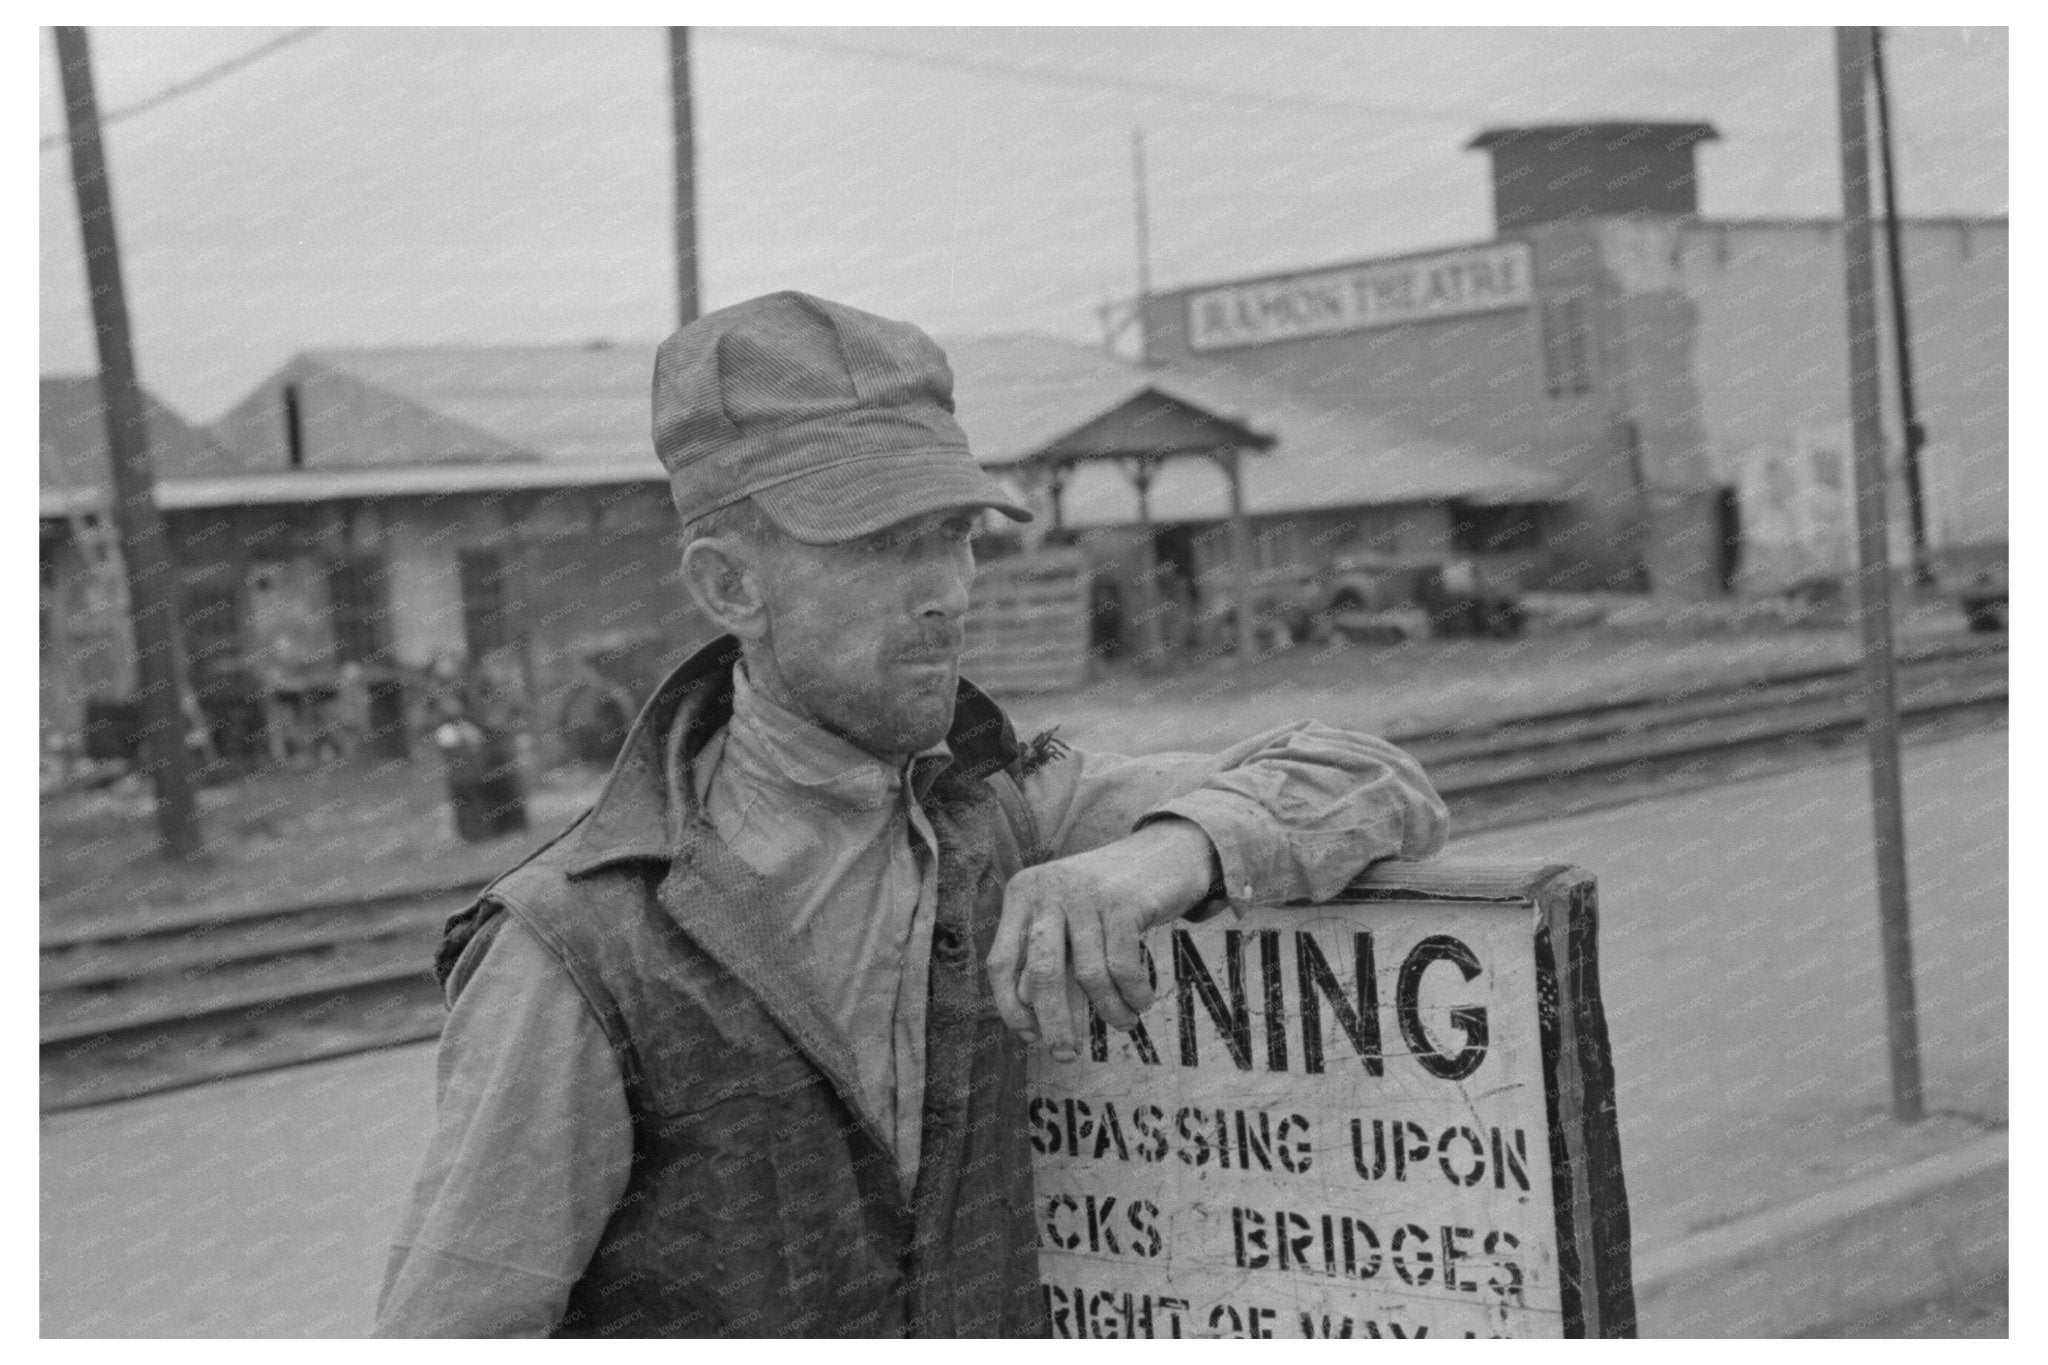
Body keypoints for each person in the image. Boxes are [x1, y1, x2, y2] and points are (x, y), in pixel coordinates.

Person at [374, 292, 1448, 1338]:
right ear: (728, 587)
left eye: (955, 536)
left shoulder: (995, 809)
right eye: (883, 546)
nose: (948, 590)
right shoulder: (582, 951)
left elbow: (1370, 780)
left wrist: (1155, 861)